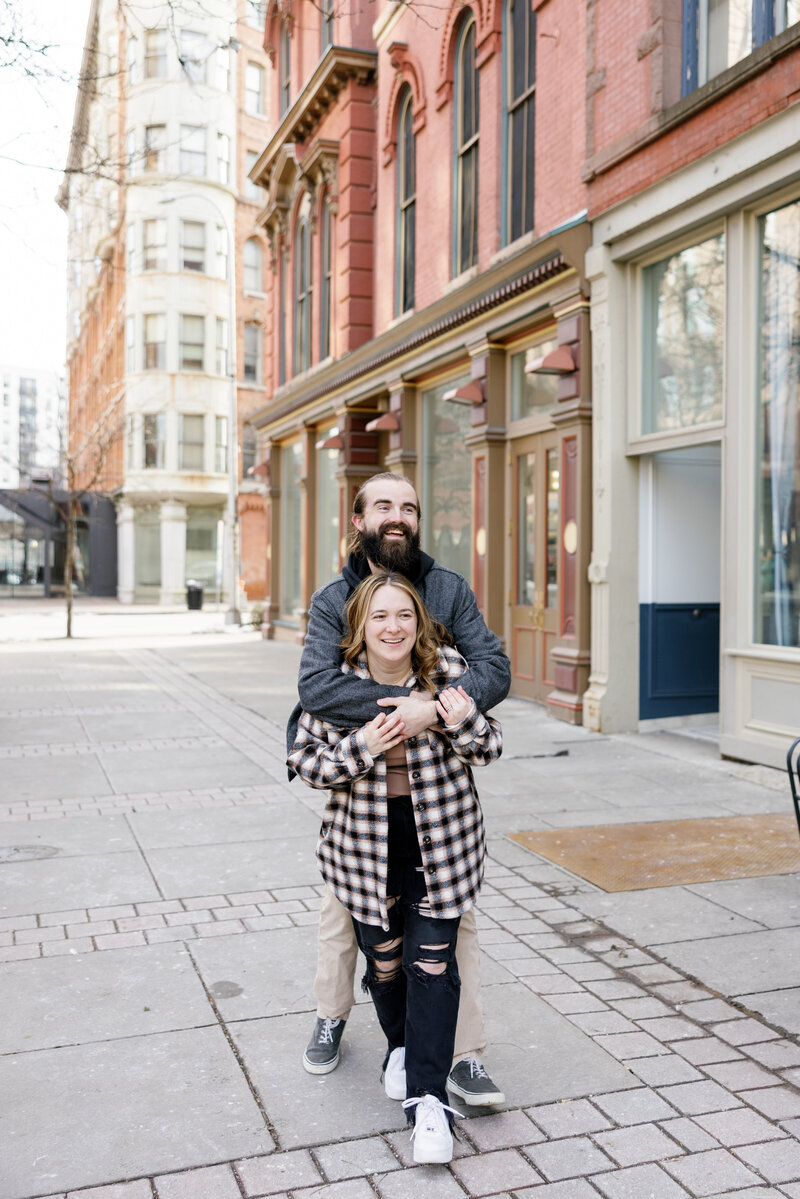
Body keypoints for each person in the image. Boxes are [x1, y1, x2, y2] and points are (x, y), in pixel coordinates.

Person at [286, 471, 511, 1106]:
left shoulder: (447, 588)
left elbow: (493, 669)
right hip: (361, 807)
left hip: (435, 807)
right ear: (357, 520)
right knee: (344, 921)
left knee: (453, 930)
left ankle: (462, 1057)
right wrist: (405, 707)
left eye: (408, 507)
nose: (397, 516)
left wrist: (436, 709)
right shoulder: (334, 597)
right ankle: (333, 1015)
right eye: (383, 505)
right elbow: (317, 688)